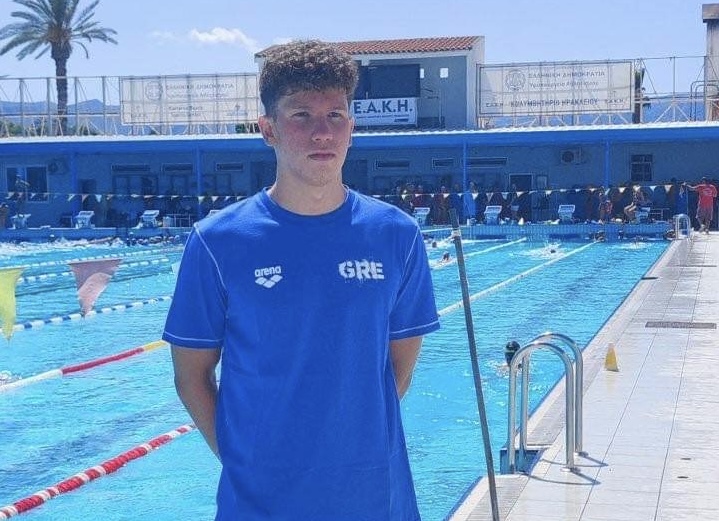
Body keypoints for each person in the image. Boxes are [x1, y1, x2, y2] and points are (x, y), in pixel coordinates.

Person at [163, 40, 440, 521]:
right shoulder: (218, 242)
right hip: (259, 504)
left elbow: (400, 370)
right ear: (268, 129)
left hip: (374, 497)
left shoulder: (396, 235)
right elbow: (191, 377)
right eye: (301, 116)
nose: (322, 132)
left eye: (335, 115)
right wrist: (245, 462)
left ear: (352, 128)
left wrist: (341, 443)